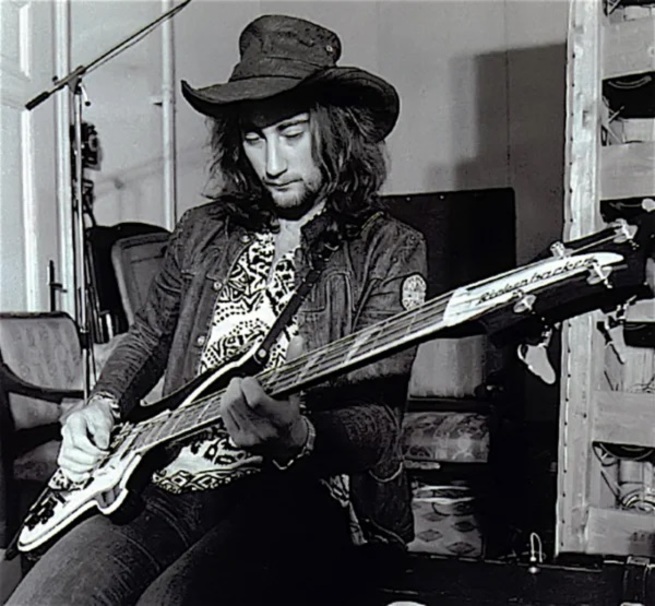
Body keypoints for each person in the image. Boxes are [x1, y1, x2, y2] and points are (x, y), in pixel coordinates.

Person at [9, 14, 427, 606]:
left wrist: (298, 435)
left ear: (335, 131)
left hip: (298, 493)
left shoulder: (388, 248)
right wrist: (102, 403)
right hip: (162, 475)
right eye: (254, 139)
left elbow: (377, 423)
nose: (272, 163)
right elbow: (148, 337)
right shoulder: (202, 230)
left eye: (291, 133)